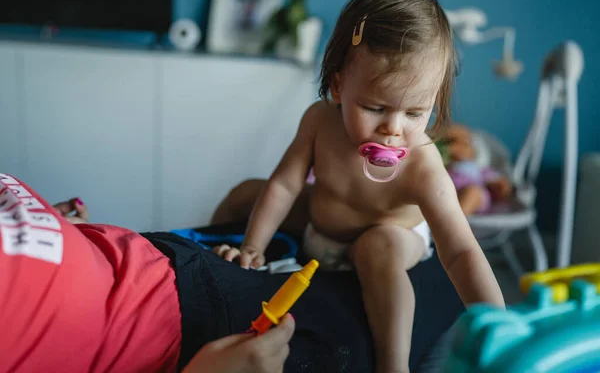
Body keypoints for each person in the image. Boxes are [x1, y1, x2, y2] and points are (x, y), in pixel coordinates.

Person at [213, 0, 505, 373]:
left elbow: (461, 251)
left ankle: (392, 364)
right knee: (247, 192)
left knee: (376, 246)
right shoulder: (320, 122)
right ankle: (216, 269)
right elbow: (285, 184)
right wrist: (253, 246)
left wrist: (501, 325)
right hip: (322, 229)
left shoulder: (422, 164)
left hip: (393, 241)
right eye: (374, 107)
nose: (393, 128)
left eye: (416, 112)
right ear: (338, 86)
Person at [0, 172, 464, 373]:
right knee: (438, 281)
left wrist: (53, 226)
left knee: (248, 195)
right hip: (186, 327)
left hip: (155, 253)